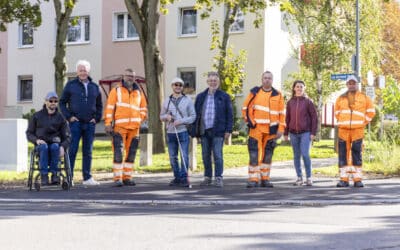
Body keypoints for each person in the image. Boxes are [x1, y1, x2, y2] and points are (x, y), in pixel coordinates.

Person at [59, 60, 103, 186]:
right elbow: (62, 102)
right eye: (80, 70)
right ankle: (69, 177)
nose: (83, 72)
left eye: (85, 70)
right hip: (75, 124)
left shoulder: (95, 87)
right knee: (72, 150)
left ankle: (87, 178)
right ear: (77, 72)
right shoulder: (70, 85)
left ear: (88, 71)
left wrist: (97, 118)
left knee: (88, 151)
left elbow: (99, 105)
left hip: (90, 124)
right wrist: (69, 117)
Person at [104, 69, 148, 187]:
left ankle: (127, 177)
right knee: (118, 152)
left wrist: (140, 118)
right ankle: (117, 178)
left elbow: (143, 108)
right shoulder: (116, 91)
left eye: (132, 76)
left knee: (131, 153)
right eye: (128, 76)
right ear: (123, 76)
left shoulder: (139, 92)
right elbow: (109, 108)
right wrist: (108, 123)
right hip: (120, 127)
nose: (130, 78)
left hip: (135, 128)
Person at [242, 70, 286, 188]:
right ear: (262, 80)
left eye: (269, 78)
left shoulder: (278, 94)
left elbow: (282, 114)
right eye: (265, 78)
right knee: (254, 155)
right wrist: (250, 122)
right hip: (256, 129)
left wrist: (281, 129)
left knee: (267, 156)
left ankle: (265, 179)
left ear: (272, 80)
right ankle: (253, 179)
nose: (267, 80)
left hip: (271, 131)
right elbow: (246, 108)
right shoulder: (255, 92)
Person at [192, 71, 233, 188]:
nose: (212, 83)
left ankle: (219, 178)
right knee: (205, 155)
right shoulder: (200, 96)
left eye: (215, 80)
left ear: (218, 82)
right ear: (207, 82)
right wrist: (195, 132)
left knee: (217, 155)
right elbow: (196, 114)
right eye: (210, 81)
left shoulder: (224, 96)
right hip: (204, 131)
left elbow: (229, 115)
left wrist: (228, 130)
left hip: (218, 131)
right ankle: (207, 177)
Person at [334, 75, 375, 188]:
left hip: (357, 131)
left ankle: (357, 180)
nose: (352, 85)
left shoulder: (365, 97)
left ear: (357, 84)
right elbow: (336, 113)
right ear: (347, 85)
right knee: (343, 155)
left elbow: (371, 112)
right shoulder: (340, 98)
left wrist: (362, 122)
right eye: (350, 83)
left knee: (357, 155)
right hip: (343, 131)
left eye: (354, 83)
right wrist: (343, 121)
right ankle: (344, 179)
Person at [26, 91, 71, 185]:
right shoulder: (37, 116)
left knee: (55, 147)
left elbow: (67, 136)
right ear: (46, 102)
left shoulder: (61, 118)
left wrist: (63, 146)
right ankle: (44, 176)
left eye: (55, 101)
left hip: (55, 143)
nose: (53, 103)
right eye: (51, 101)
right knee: (44, 147)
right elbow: (29, 133)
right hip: (41, 144)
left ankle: (55, 175)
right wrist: (37, 140)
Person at [160, 77, 196, 187]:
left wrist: (181, 121)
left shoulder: (187, 100)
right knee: (172, 157)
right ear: (172, 86)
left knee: (184, 155)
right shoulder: (166, 100)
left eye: (180, 85)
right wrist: (167, 116)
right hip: (171, 133)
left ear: (182, 87)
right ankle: (177, 177)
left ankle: (184, 178)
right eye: (176, 84)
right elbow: (161, 116)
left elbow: (193, 116)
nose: (178, 87)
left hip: (183, 131)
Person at [284, 80, 318, 186]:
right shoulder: (290, 102)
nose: (299, 88)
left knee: (305, 154)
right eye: (297, 86)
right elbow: (287, 118)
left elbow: (314, 118)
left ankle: (309, 177)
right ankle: (299, 177)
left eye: (301, 87)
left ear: (304, 89)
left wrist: (313, 132)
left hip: (305, 133)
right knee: (296, 156)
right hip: (293, 133)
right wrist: (286, 133)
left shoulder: (308, 102)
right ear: (294, 88)